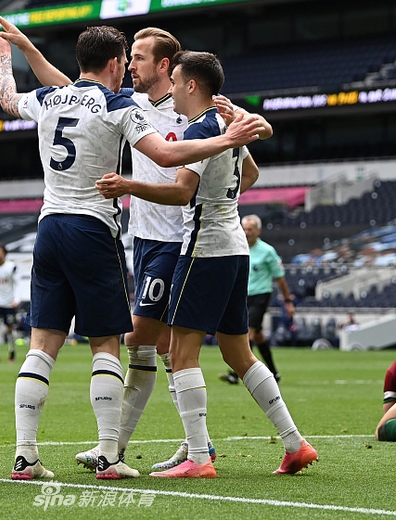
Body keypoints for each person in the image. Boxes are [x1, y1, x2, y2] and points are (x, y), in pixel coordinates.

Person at [0, 20, 264, 481]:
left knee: (41, 345)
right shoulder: (120, 105)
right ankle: (110, 454)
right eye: (126, 60)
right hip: (92, 230)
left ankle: (25, 455)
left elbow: (10, 98)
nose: (129, 68)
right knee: (108, 343)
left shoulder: (51, 99)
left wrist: (8, 59)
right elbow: (167, 158)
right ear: (114, 63)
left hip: (47, 229)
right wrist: (230, 139)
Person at [96, 51, 317, 478]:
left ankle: (198, 457)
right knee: (239, 352)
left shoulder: (201, 128)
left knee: (180, 352)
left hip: (203, 248)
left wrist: (127, 185)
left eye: (176, 82)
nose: (174, 90)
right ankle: (294, 443)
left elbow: (181, 193)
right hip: (235, 246)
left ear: (191, 85)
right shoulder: (227, 124)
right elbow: (249, 172)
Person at [221, 214, 293, 385]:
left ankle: (236, 373)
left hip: (260, 296)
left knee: (248, 333)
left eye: (250, 229)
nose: (246, 232)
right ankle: (274, 373)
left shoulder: (267, 251)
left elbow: (280, 277)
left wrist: (288, 301)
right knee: (259, 336)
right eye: (244, 229)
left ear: (258, 230)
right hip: (241, 296)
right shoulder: (237, 247)